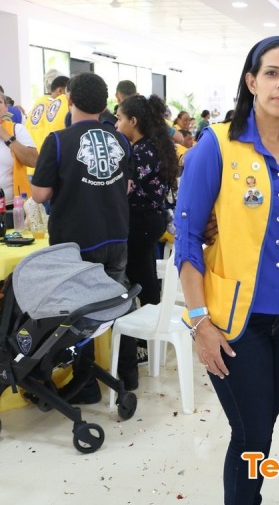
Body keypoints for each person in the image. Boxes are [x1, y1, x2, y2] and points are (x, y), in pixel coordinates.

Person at [174, 35, 279, 505]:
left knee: (260, 431)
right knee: (252, 434)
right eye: (272, 73)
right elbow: (187, 240)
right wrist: (199, 322)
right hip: (235, 323)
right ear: (251, 81)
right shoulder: (216, 145)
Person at [31, 72, 132, 404]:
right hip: (116, 237)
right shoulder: (120, 140)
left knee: (76, 316)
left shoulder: (58, 141)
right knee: (108, 308)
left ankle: (82, 382)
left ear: (69, 100)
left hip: (76, 243)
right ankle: (120, 374)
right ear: (105, 105)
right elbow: (126, 186)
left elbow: (39, 193)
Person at [115, 93, 179, 389]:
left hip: (140, 221)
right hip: (150, 219)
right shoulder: (153, 146)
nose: (117, 124)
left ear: (133, 120)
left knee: (138, 279)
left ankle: (145, 341)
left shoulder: (141, 152)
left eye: (119, 119)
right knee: (146, 276)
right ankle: (151, 339)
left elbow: (124, 188)